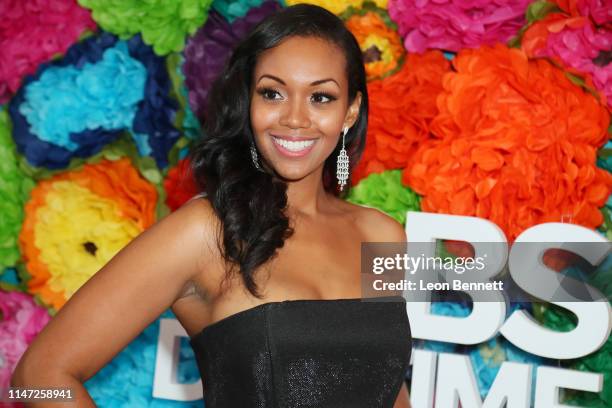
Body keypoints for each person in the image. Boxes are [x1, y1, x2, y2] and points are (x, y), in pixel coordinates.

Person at [12, 4, 412, 407]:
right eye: (272, 93)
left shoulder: (381, 236)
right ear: (247, 103)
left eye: (321, 97)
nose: (294, 118)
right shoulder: (206, 231)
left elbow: (390, 389)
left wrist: (467, 263)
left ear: (350, 112)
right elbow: (36, 380)